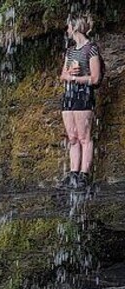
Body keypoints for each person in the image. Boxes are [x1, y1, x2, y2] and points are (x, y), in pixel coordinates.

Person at [60, 13, 102, 190]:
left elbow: (95, 78)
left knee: (84, 137)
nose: (67, 30)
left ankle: (84, 174)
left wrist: (78, 79)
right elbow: (62, 75)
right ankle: (73, 174)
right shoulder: (70, 51)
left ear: (75, 27)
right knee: (72, 137)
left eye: (68, 26)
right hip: (69, 95)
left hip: (83, 94)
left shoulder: (91, 48)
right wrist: (69, 74)